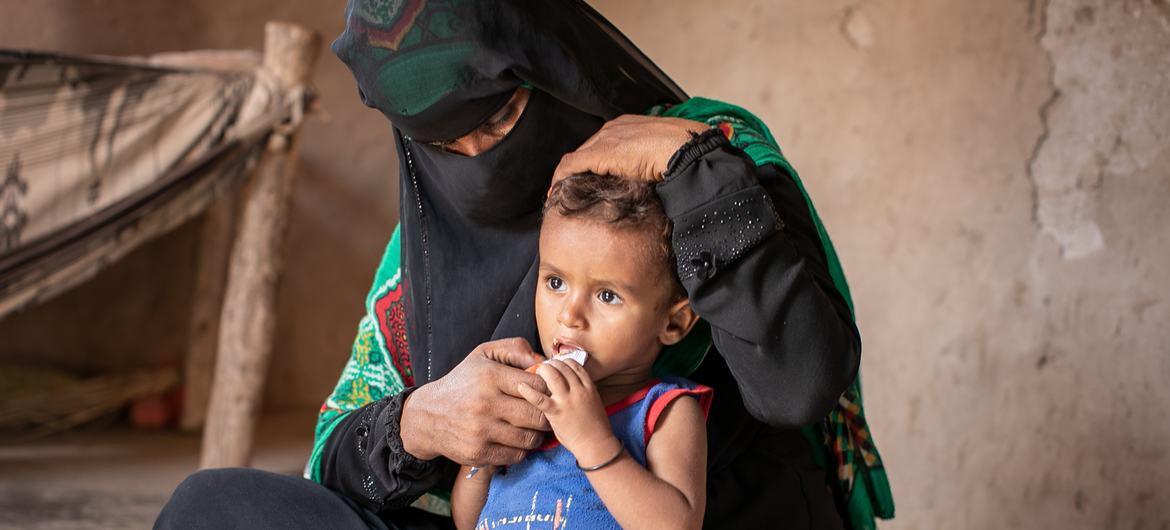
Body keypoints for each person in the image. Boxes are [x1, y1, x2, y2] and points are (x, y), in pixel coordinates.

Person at [155, 2, 893, 529]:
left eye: (500, 117)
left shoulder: (703, 159)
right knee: (212, 509)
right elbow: (333, 459)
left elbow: (799, 383)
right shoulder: (422, 250)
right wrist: (422, 424)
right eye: (445, 146)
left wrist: (690, 168)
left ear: (552, 65)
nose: (480, 162)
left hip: (713, 510)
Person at [452, 173, 713, 530]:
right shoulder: (524, 399)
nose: (569, 315)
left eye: (607, 295)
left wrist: (592, 441)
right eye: (555, 283)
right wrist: (481, 456)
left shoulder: (664, 410)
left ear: (673, 323)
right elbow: (468, 521)